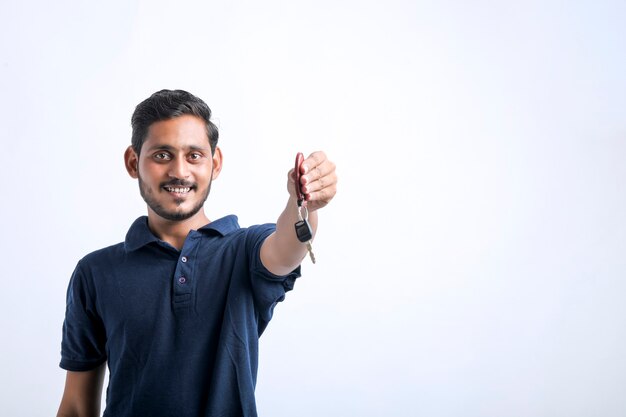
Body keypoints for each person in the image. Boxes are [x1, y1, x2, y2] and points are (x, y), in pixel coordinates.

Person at [56, 89, 337, 417]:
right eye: (162, 155)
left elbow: (288, 245)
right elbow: (77, 405)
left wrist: (303, 201)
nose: (179, 171)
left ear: (214, 163)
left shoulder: (245, 252)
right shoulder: (95, 272)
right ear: (133, 162)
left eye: (194, 156)